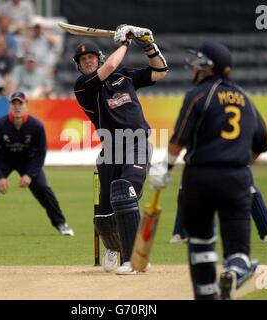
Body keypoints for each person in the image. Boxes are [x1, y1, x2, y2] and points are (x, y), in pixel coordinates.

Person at [149, 41, 267, 299]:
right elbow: (261, 144)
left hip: (199, 178)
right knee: (238, 250)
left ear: (208, 66)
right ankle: (235, 271)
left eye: (198, 61)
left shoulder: (200, 94)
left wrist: (164, 169)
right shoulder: (245, 99)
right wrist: (237, 162)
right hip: (236, 178)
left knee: (201, 244)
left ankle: (206, 294)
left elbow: (178, 139)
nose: (194, 66)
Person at [73, 24, 168, 275]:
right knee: (105, 216)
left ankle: (134, 258)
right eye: (83, 60)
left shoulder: (124, 77)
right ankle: (114, 246)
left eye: (91, 57)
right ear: (79, 66)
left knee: (125, 194)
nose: (88, 62)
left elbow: (160, 71)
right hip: (110, 149)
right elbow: (110, 67)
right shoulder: (84, 87)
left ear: (99, 58)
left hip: (137, 142)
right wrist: (126, 42)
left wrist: (147, 44)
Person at [0, 91, 74, 236]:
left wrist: (29, 175)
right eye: (14, 104)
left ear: (26, 106)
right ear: (9, 107)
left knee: (43, 189)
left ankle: (61, 224)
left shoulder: (36, 126)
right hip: (3, 161)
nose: (17, 107)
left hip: (28, 161)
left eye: (20, 103)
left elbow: (40, 154)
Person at [170, 179, 267, 244]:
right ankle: (179, 233)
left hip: (231, 161)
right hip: (203, 161)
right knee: (185, 188)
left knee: (250, 189)